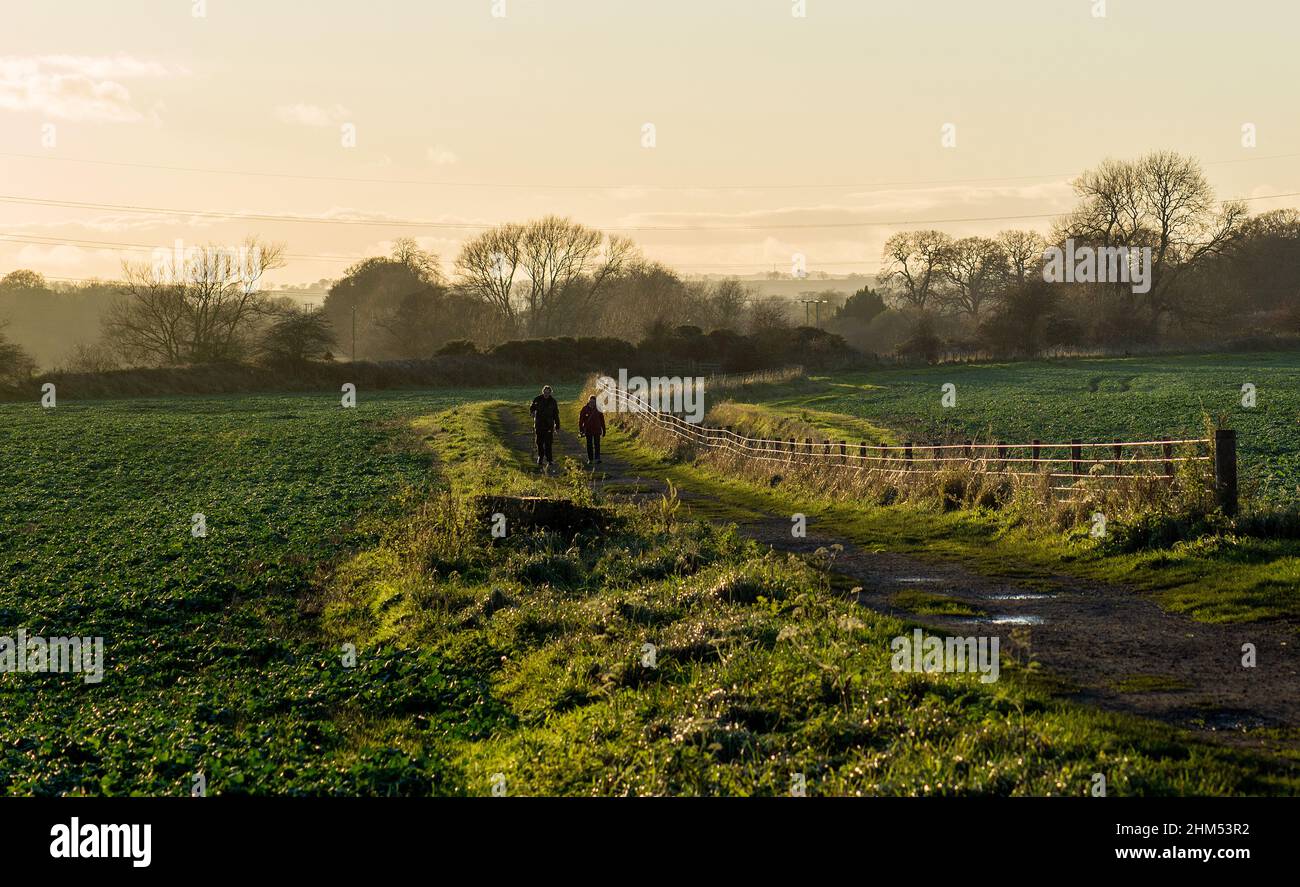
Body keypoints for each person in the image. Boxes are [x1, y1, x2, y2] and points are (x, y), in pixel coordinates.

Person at [529, 385, 560, 469]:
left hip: (549, 425)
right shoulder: (537, 399)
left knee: (548, 443)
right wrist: (532, 412)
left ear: (550, 392)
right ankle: (540, 457)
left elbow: (556, 414)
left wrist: (557, 425)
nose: (546, 394)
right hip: (539, 425)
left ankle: (549, 460)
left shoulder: (553, 401)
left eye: (548, 392)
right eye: (545, 392)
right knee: (539, 442)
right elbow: (532, 407)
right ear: (543, 392)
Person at [578, 394, 606, 465]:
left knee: (597, 444)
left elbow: (602, 420)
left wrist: (604, 429)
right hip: (588, 430)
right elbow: (581, 420)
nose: (592, 403)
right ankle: (590, 459)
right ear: (588, 401)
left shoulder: (598, 409)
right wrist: (581, 429)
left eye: (593, 402)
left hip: (597, 429)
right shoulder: (584, 409)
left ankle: (597, 458)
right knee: (589, 445)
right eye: (591, 402)